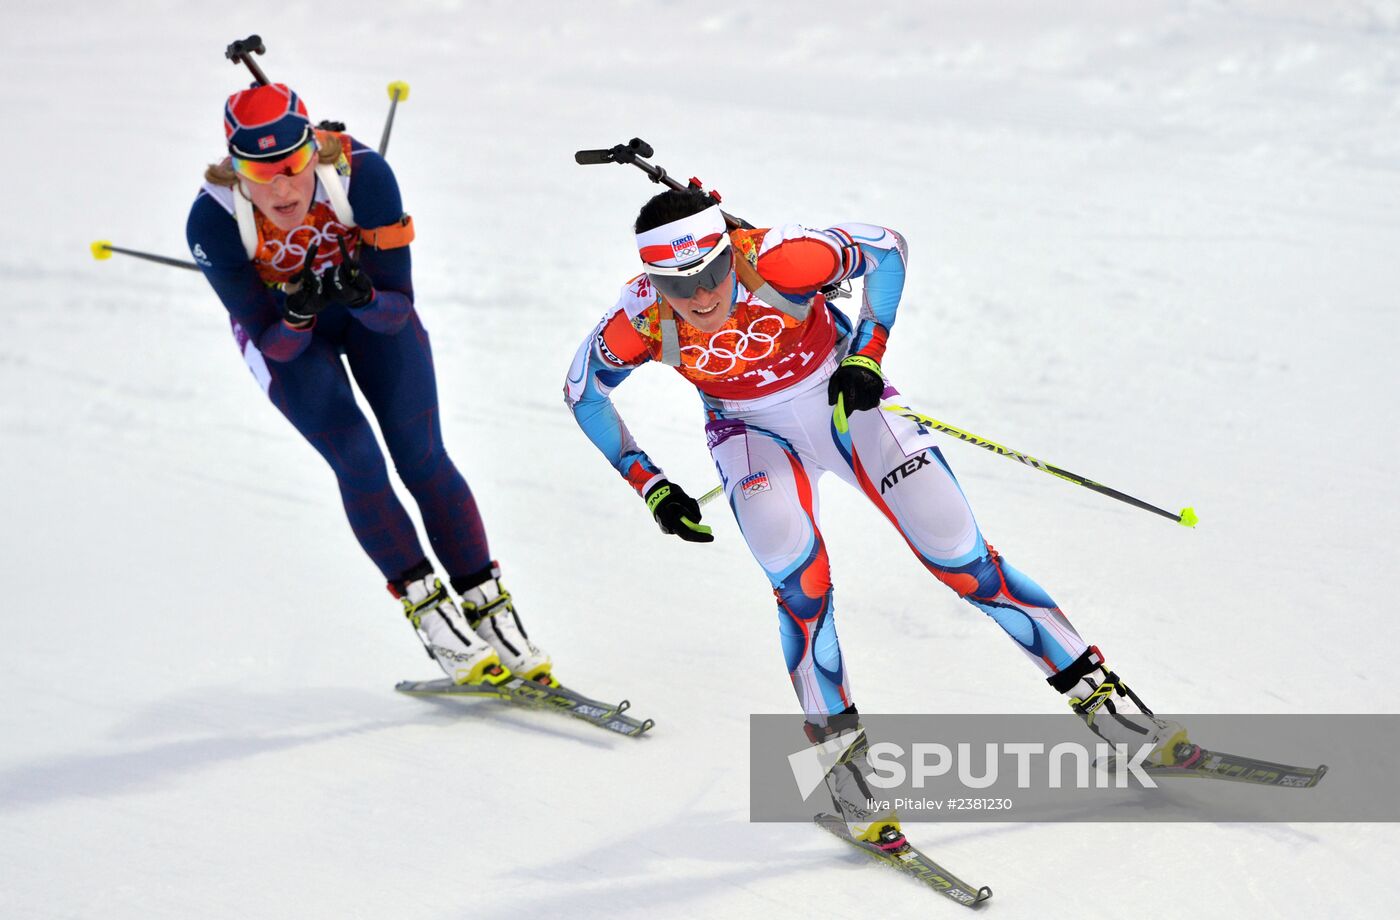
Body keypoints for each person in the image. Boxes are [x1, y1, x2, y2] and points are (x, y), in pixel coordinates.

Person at [565, 187, 1195, 845]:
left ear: (728, 249)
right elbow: (583, 394)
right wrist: (653, 487)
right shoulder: (638, 318)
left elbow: (887, 250)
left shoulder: (780, 257)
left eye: (711, 272)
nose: (698, 296)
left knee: (963, 557)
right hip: (750, 431)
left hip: (846, 400)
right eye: (675, 281)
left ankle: (1112, 713)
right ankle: (844, 776)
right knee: (797, 581)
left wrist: (868, 351)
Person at [186, 82, 550, 686]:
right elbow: (272, 342)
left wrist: (359, 293)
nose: (280, 189)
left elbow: (397, 310)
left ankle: (490, 609)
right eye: (258, 171)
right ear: (233, 167)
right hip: (288, 342)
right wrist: (298, 314)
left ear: (312, 151)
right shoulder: (213, 220)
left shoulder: (363, 176)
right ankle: (430, 612)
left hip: (372, 317)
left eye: (293, 166)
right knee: (357, 460)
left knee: (422, 456)